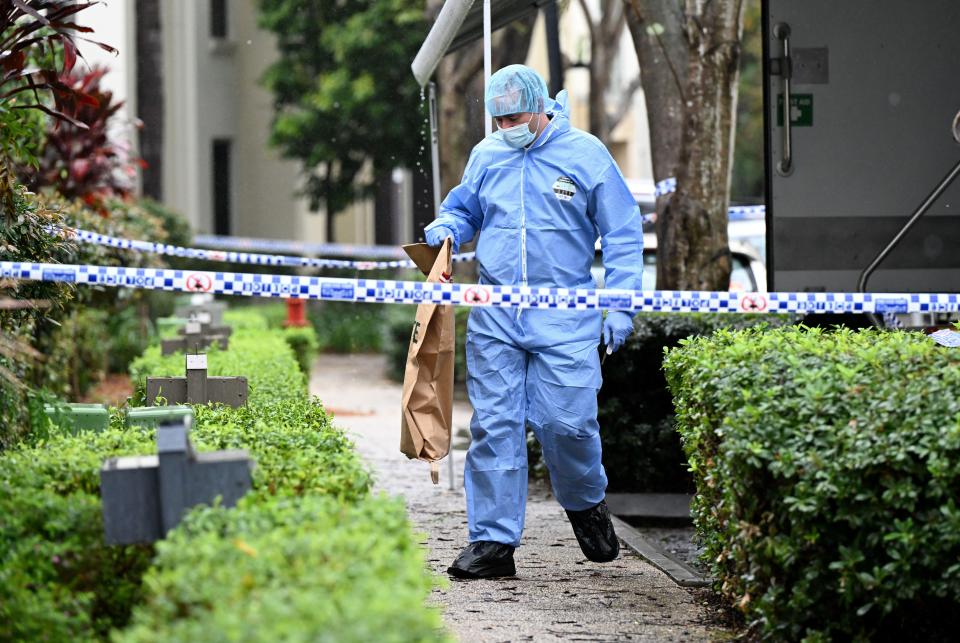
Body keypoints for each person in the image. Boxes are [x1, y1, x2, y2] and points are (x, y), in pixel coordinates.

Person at [424, 64, 644, 579]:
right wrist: (449, 225)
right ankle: (492, 543)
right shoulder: (487, 155)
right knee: (494, 427)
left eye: (515, 117)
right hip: (497, 314)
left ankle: (586, 504)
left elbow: (622, 234)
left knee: (566, 425)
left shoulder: (585, 154)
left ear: (542, 107)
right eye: (498, 120)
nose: (507, 127)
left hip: (566, 317)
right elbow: (467, 209)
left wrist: (620, 304)